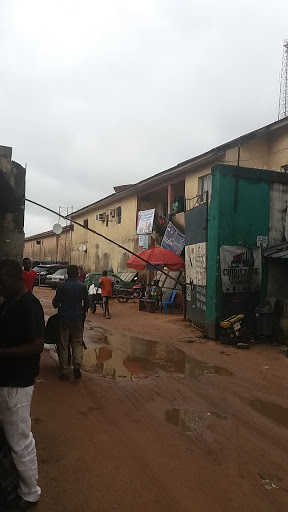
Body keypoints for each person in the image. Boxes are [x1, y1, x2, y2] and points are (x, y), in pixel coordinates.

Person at [0, 259, 45, 511]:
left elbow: (38, 345)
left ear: (16, 278)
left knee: (20, 439)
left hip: (17, 383)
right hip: (6, 381)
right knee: (11, 439)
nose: (0, 287)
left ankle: (30, 493)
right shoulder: (8, 304)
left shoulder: (30, 306)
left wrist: (2, 354)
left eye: (3, 282)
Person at [52, 265, 89, 381]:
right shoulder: (82, 286)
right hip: (77, 318)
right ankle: (77, 364)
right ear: (77, 274)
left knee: (63, 345)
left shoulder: (62, 286)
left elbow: (55, 303)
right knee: (77, 343)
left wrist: (60, 304)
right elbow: (87, 303)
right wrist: (81, 311)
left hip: (64, 318)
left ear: (67, 274)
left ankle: (65, 371)